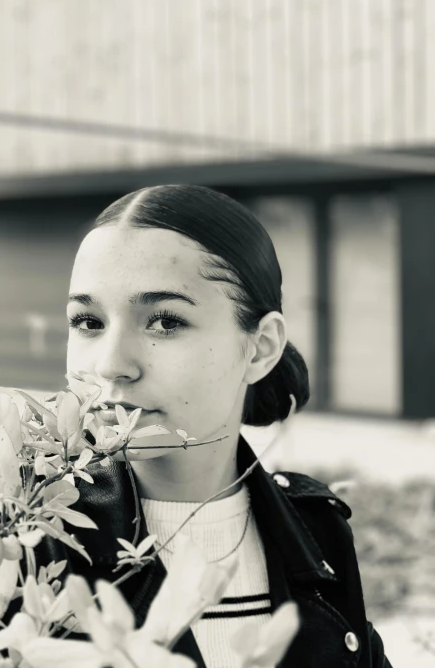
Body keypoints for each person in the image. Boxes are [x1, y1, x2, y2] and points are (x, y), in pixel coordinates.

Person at [61, 183, 392, 668]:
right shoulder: (14, 535)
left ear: (259, 348)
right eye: (88, 322)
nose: (111, 364)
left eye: (165, 322)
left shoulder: (318, 532)